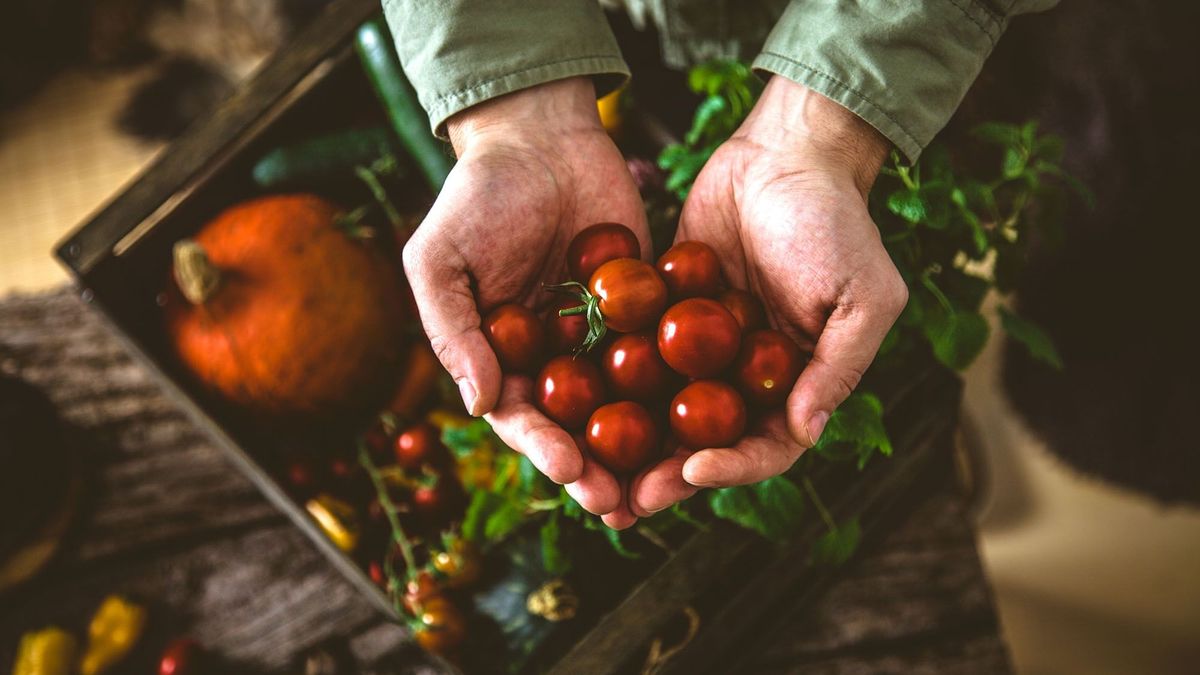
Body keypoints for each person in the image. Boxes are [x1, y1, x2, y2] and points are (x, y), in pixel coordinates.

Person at [381, 0, 1056, 528]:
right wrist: (510, 107)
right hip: (615, 25)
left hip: (939, 47)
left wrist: (829, 127)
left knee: (1056, 213)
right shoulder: (632, 327)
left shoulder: (631, 321)